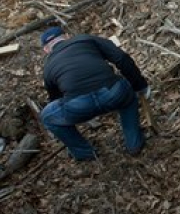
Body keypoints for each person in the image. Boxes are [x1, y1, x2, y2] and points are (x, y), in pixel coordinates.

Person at [39, 27, 149, 161]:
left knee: (48, 116)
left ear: (46, 50)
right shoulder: (86, 39)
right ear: (67, 36)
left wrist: (81, 110)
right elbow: (121, 58)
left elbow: (56, 99)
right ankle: (134, 144)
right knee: (128, 95)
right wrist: (140, 86)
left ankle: (85, 154)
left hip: (79, 105)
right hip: (113, 93)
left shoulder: (48, 67)